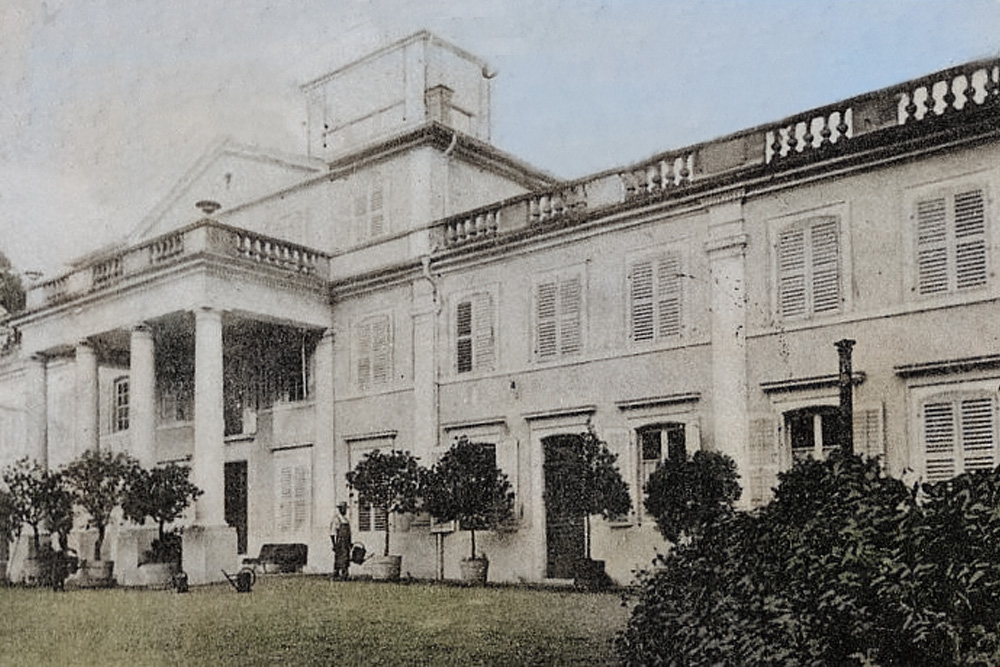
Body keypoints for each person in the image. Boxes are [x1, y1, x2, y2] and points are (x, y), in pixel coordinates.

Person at [330, 502, 351, 579]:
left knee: (346, 557)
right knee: (339, 557)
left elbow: (348, 533)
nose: (344, 510)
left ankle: (345, 573)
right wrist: (334, 544)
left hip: (346, 542)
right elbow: (332, 532)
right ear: (340, 509)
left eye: (345, 508)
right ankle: (336, 573)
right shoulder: (337, 519)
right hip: (340, 541)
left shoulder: (346, 519)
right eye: (343, 508)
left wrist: (350, 542)